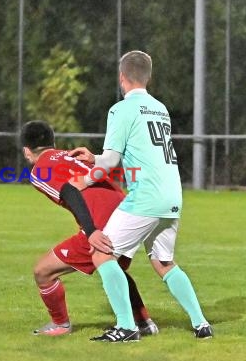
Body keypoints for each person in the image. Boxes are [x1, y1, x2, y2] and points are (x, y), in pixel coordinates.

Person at [69, 50, 213, 339]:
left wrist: (83, 181)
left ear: (122, 77)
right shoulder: (160, 108)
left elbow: (112, 161)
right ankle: (201, 324)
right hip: (172, 194)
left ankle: (126, 327)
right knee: (163, 263)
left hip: (145, 195)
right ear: (149, 77)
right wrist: (95, 157)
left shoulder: (121, 109)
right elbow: (126, 154)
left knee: (100, 252)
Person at [21, 120, 156, 342]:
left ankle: (60, 324)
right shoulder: (73, 154)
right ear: (53, 143)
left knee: (43, 272)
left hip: (101, 224)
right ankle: (144, 323)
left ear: (27, 151)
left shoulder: (39, 171)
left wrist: (91, 230)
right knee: (116, 270)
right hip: (128, 212)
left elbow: (70, 191)